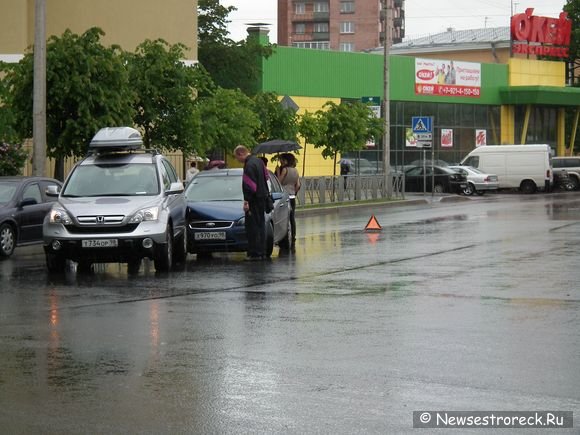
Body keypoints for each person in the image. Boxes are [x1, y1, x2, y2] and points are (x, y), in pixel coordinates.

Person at [234, 145, 270, 261]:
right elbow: (266, 177)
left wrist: (247, 201)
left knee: (252, 227)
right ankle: (262, 251)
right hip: (262, 197)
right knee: (261, 225)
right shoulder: (259, 162)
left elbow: (250, 185)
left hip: (254, 200)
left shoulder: (249, 165)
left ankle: (255, 253)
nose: (237, 160)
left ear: (241, 154)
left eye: (237, 158)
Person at [276, 153, 300, 245]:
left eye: (281, 159)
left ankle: (283, 237)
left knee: (283, 217)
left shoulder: (284, 170)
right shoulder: (295, 170)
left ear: (286, 160)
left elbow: (279, 181)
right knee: (292, 217)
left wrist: (278, 171)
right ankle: (293, 236)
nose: (280, 161)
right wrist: (294, 192)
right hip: (292, 196)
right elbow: (297, 185)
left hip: (284, 196)